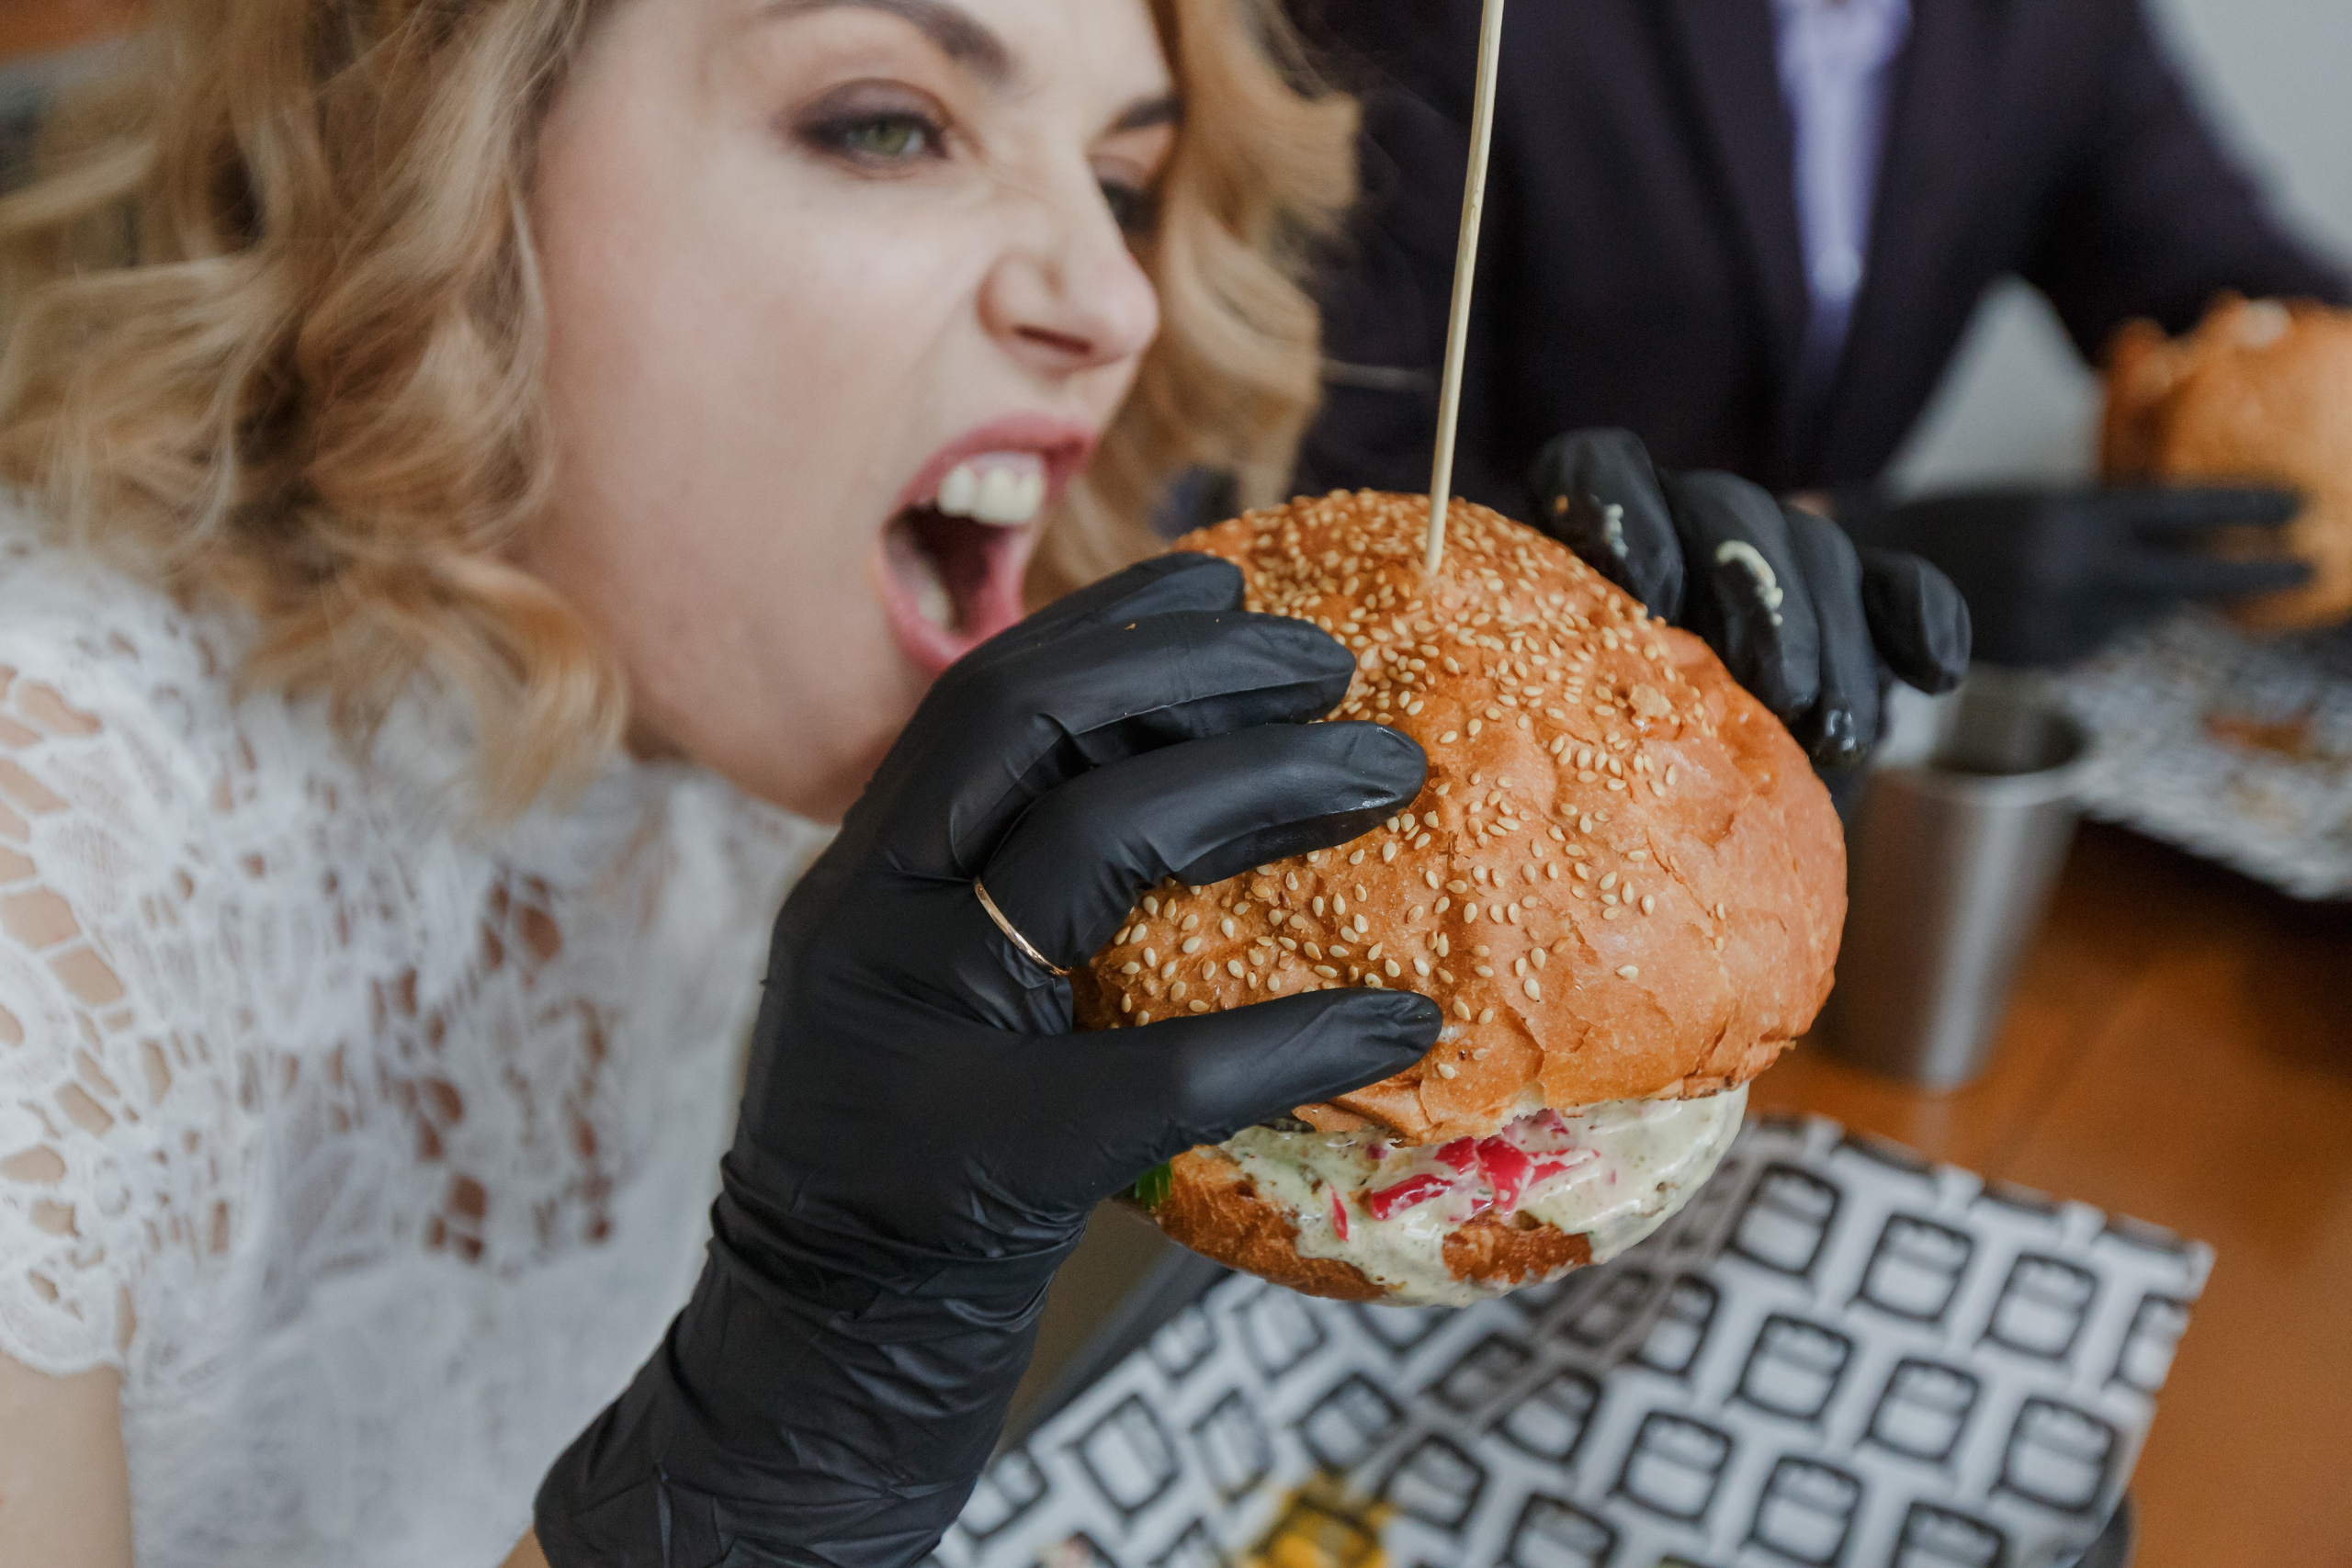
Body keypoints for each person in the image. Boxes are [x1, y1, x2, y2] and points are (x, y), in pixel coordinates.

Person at [0, 0, 1962, 1564]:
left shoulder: (722, 646)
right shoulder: (42, 878)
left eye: (1122, 175)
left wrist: (1586, 841)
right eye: (888, 120)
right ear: (427, 157)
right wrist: (752, 1487)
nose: (1108, 302)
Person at [1287, 0, 2352, 663]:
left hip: (1803, 774)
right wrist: (1827, 557)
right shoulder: (1464, 20)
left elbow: (2226, 278)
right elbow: (1337, 497)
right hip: (1493, 734)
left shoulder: (2049, 27)